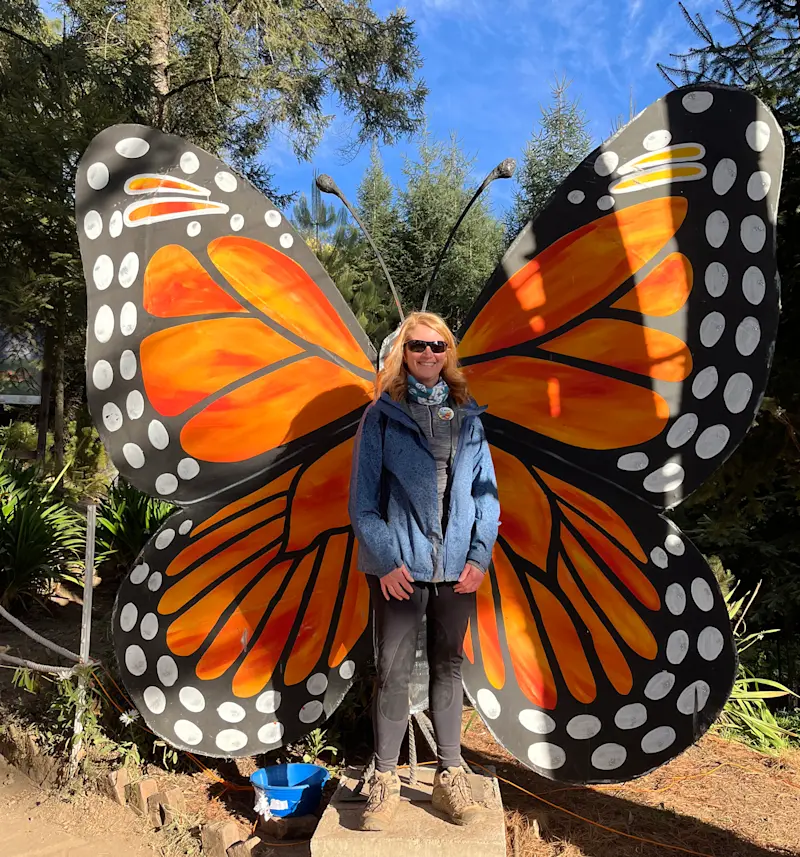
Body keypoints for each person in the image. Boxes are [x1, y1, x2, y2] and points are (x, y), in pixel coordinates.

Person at [349, 311, 500, 830]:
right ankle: (385, 780)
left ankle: (449, 777)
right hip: (399, 572)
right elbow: (362, 503)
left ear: (448, 352)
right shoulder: (382, 416)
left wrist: (479, 558)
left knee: (449, 670)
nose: (428, 354)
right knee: (391, 673)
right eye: (418, 346)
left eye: (437, 345)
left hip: (457, 572)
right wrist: (388, 560)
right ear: (403, 353)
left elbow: (488, 500)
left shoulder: (469, 419)